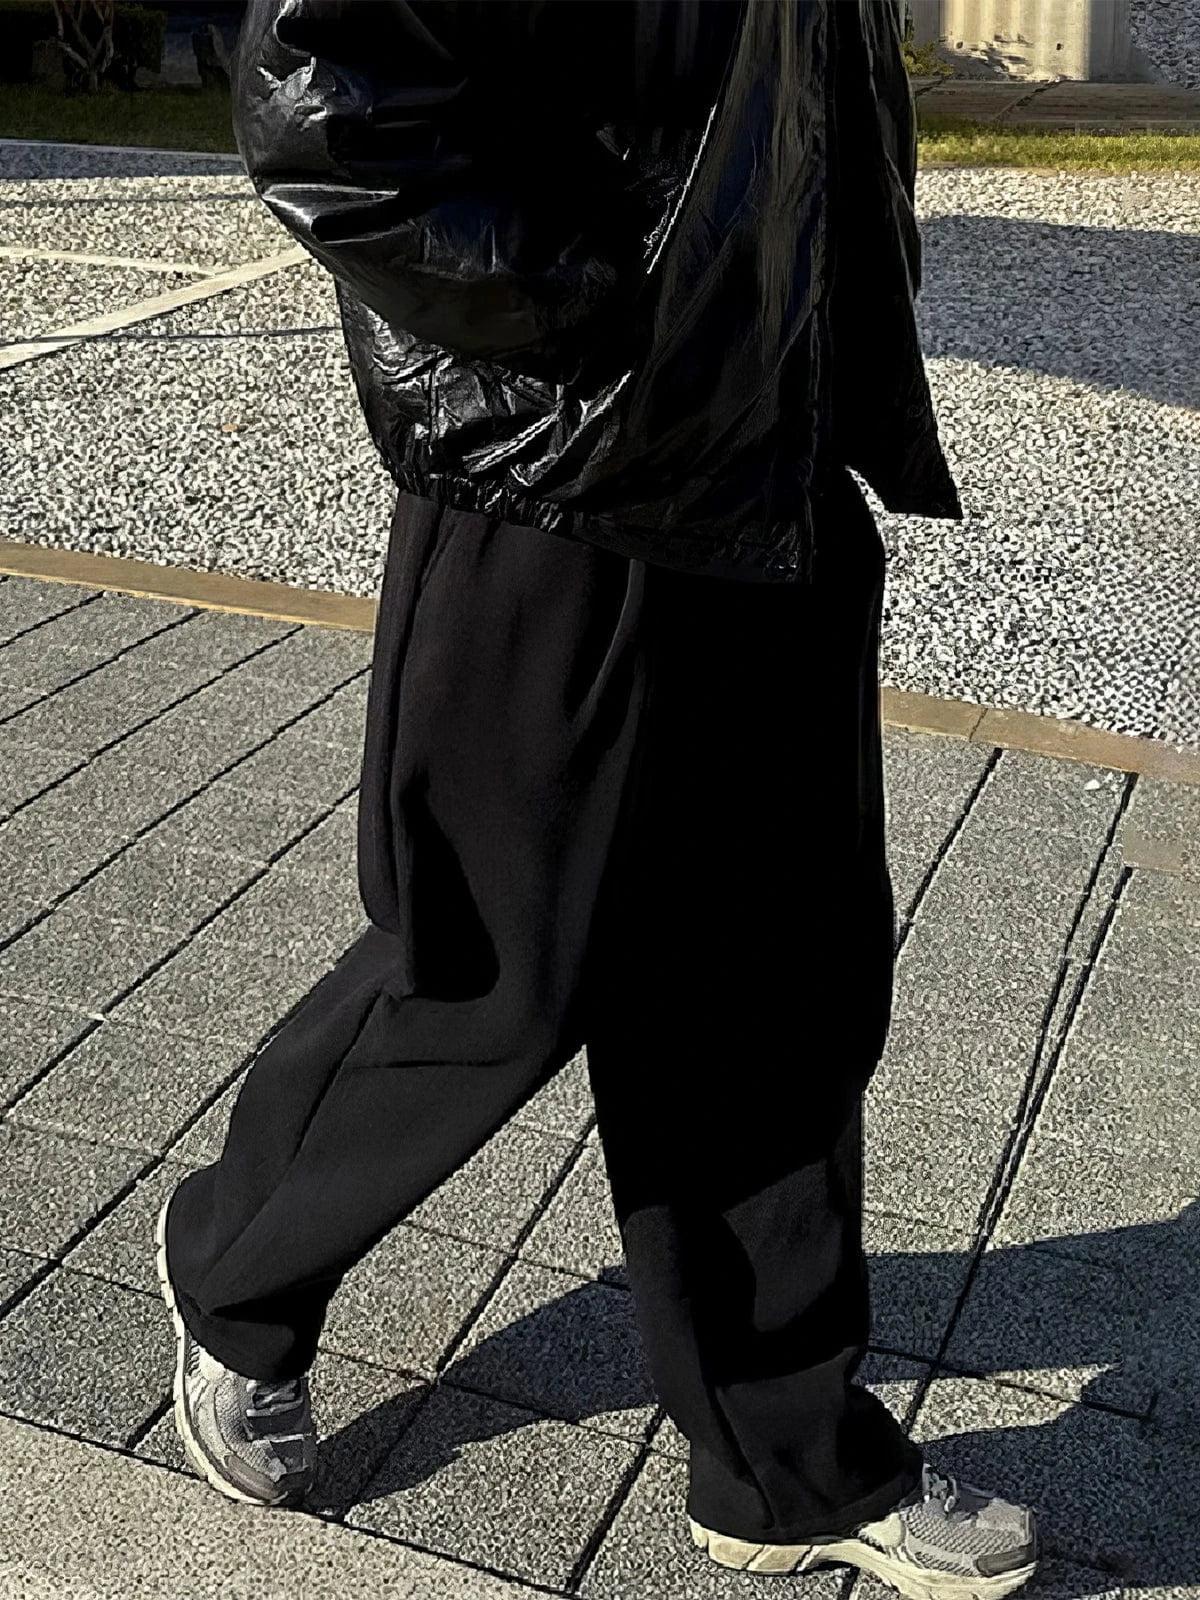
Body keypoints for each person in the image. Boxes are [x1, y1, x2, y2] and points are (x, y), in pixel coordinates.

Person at [155, 2, 1038, 1593]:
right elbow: (324, 104)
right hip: (561, 471)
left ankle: (780, 1460)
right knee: (489, 966)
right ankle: (236, 1276)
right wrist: (602, 313)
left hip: (775, 456)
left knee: (776, 988)